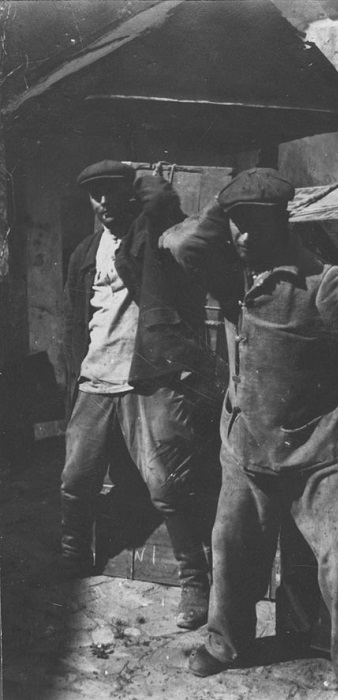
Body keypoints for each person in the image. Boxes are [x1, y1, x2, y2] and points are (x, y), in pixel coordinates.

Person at [159, 167, 338, 693]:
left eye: (256, 223)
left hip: (317, 453)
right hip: (246, 446)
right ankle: (225, 643)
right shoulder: (230, 275)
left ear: (284, 222)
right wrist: (226, 202)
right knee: (231, 551)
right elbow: (183, 244)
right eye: (236, 223)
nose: (244, 235)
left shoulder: (325, 283)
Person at [61, 160, 222, 630]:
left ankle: (195, 581)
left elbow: (162, 203)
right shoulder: (85, 251)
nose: (103, 203)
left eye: (112, 192)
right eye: (95, 195)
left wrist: (136, 179)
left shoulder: (150, 238)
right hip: (96, 378)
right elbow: (75, 319)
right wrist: (76, 373)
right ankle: (73, 557)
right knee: (75, 479)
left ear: (129, 194)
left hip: (146, 376)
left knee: (167, 483)